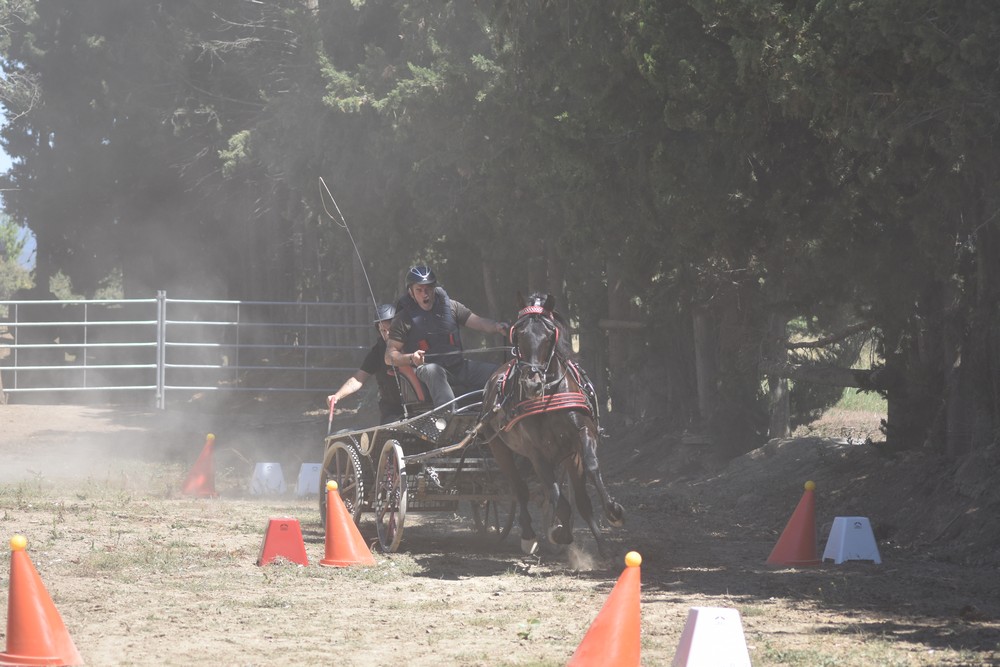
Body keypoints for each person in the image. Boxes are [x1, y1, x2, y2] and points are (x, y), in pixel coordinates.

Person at [384, 265, 507, 408]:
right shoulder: (403, 319)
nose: (425, 294)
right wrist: (411, 357)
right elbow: (389, 357)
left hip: (459, 367)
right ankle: (448, 416)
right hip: (427, 370)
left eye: (428, 288)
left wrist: (497, 327)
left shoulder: (452, 307)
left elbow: (479, 322)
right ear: (411, 292)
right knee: (432, 370)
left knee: (500, 374)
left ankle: (497, 413)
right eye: (419, 290)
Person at [328, 304, 404, 424]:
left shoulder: (412, 344)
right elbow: (358, 379)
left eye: (391, 328)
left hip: (420, 406)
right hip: (392, 410)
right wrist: (337, 396)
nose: (388, 333)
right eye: (383, 330)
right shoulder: (377, 352)